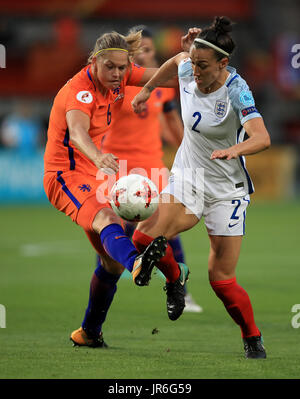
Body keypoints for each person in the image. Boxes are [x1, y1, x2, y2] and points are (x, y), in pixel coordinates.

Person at [131, 17, 271, 359]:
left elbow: (262, 138)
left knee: (221, 280)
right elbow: (174, 62)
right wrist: (148, 89)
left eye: (203, 65)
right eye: (193, 61)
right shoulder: (188, 68)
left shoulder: (237, 90)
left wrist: (233, 150)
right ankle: (176, 278)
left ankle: (252, 336)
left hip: (226, 189)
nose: (194, 70)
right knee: (143, 237)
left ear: (223, 64)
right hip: (189, 178)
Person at [43, 30, 189, 348]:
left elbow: (168, 75)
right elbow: (79, 133)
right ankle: (138, 263)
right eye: (110, 67)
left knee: (109, 262)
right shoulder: (79, 91)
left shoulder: (121, 78)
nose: (118, 74)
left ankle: (89, 332)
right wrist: (98, 156)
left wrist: (188, 55)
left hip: (93, 177)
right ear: (94, 62)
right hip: (65, 176)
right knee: (110, 220)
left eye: (123, 68)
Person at [98, 25, 202, 313]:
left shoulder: (163, 85)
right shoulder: (116, 83)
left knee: (165, 228)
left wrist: (192, 153)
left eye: (149, 49)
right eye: (139, 50)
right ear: (130, 54)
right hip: (116, 168)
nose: (144, 54)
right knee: (113, 229)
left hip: (152, 167)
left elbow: (171, 125)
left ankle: (180, 288)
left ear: (154, 51)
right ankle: (107, 291)